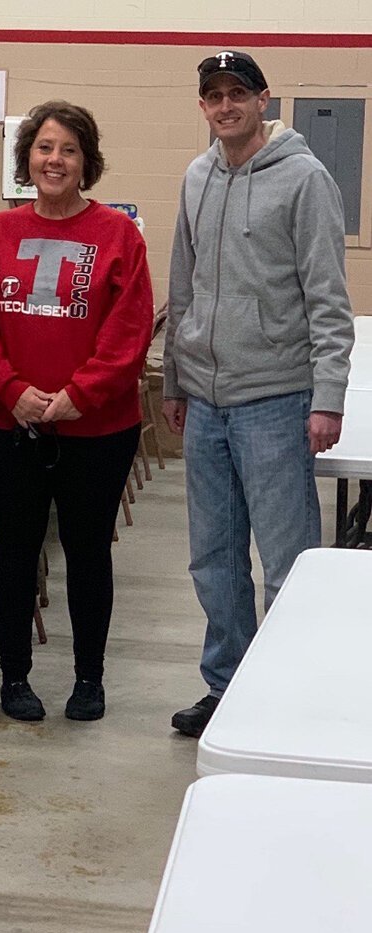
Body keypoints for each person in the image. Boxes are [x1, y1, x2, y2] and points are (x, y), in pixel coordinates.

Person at [163, 51, 355, 737]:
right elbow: (182, 284)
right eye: (213, 96)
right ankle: (228, 688)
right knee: (213, 558)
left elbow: (329, 299)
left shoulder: (304, 178)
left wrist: (327, 395)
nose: (225, 106)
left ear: (264, 99)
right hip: (207, 402)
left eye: (237, 93)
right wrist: (175, 378)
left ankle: (295, 695)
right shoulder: (196, 175)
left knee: (288, 562)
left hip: (276, 399)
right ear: (203, 106)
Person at [0, 101, 153, 723]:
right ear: (27, 159)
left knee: (88, 550)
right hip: (10, 425)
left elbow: (129, 333)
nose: (54, 160)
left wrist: (80, 394)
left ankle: (88, 679)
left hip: (97, 429)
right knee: (14, 550)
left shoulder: (119, 235)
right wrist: (10, 389)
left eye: (68, 149)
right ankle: (14, 678)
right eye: (44, 148)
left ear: (86, 161)